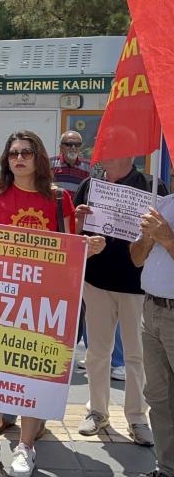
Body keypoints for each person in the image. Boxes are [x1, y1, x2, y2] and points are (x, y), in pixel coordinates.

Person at [0, 130, 105, 477]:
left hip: (41, 303)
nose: (19, 158)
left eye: (26, 153)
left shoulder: (58, 198)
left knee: (34, 373)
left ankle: (26, 446)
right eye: (13, 153)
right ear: (6, 159)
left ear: (39, 157)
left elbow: (69, 246)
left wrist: (87, 246)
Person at [72, 155, 160, 446]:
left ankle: (137, 417)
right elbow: (76, 231)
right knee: (97, 352)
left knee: (137, 355)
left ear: (129, 152)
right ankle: (97, 411)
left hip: (136, 284)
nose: (105, 152)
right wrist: (79, 220)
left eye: (113, 146)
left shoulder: (152, 185)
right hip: (96, 280)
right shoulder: (90, 185)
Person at [131, 199, 174, 477]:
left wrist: (168, 239)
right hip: (152, 309)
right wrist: (147, 239)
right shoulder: (165, 203)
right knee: (158, 397)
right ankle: (167, 467)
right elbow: (135, 258)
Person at [50, 130, 92, 198]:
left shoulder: (89, 167)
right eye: (69, 144)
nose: (73, 147)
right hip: (55, 207)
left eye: (77, 145)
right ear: (61, 147)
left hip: (76, 208)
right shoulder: (49, 164)